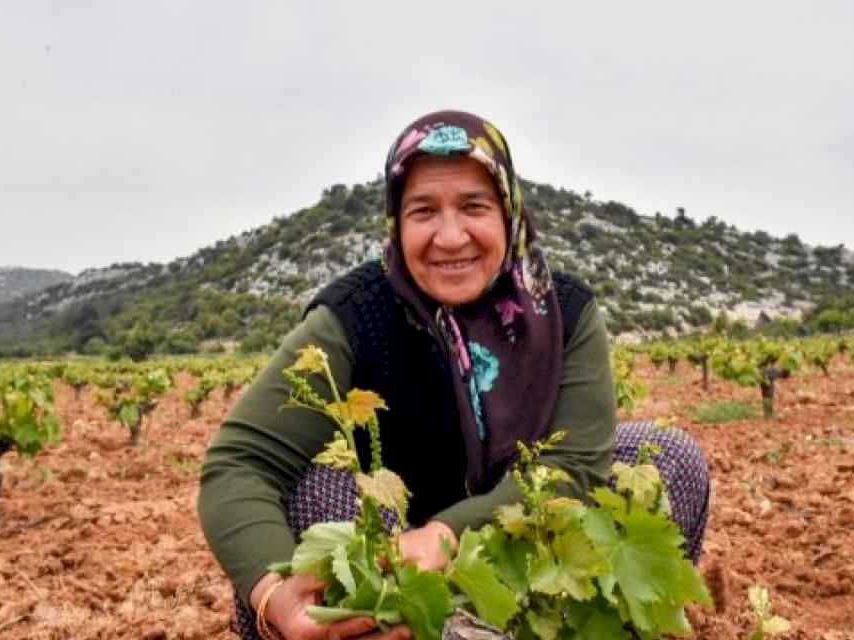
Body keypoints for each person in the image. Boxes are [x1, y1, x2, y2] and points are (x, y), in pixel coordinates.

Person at [199, 110, 710, 640]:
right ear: (397, 222)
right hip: (395, 583)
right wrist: (272, 594)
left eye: (473, 206)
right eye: (423, 211)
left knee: (667, 458)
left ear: (507, 212)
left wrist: (446, 534)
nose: (449, 237)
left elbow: (574, 466)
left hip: (517, 559)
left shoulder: (563, 312)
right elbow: (239, 463)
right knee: (321, 487)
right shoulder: (354, 317)